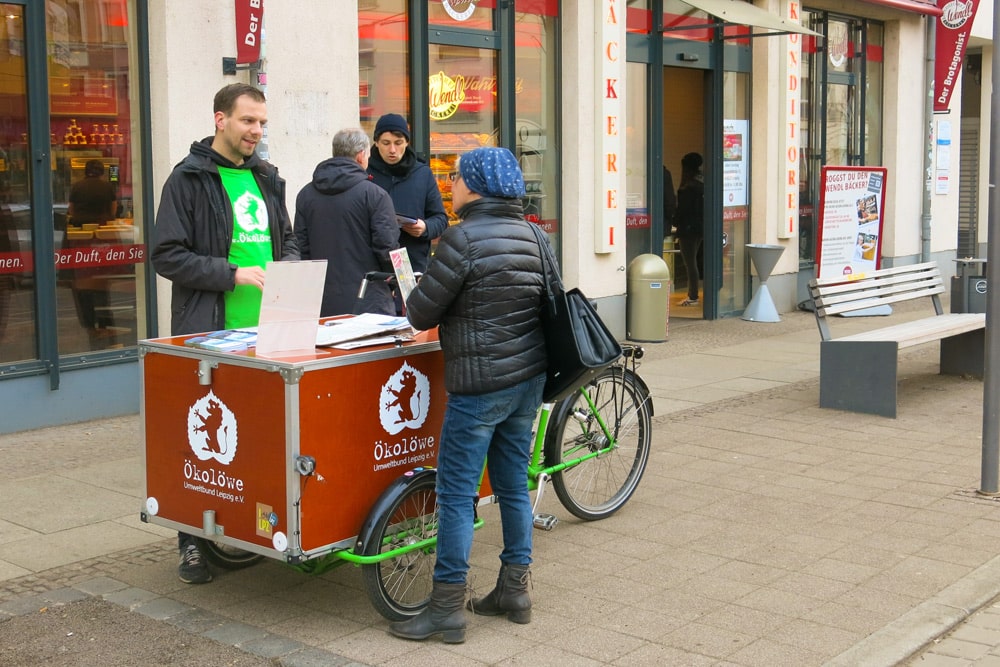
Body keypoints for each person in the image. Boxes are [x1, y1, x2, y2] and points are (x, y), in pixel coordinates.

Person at [390, 147, 548, 644]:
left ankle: (445, 609)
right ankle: (514, 589)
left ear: (474, 186)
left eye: (454, 177)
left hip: (479, 387)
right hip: (527, 381)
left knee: (457, 496)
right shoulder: (536, 236)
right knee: (512, 486)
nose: (448, 185)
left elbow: (420, 313)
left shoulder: (461, 240)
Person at [151, 82, 298, 585]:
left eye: (261, 122)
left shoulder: (268, 178)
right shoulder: (188, 179)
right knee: (199, 442)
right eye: (247, 121)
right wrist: (230, 274)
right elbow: (166, 254)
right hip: (209, 336)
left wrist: (290, 268)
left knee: (254, 439)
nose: (257, 131)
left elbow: (289, 238)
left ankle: (253, 525)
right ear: (220, 119)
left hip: (267, 334)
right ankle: (191, 542)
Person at [295, 128, 399, 316]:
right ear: (361, 156)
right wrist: (396, 281)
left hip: (321, 302)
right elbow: (388, 250)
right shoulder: (375, 195)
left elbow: (300, 249)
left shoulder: (305, 195)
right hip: (369, 301)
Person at [366, 113, 448, 308]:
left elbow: (441, 218)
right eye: (385, 143)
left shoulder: (422, 173)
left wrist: (425, 227)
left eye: (398, 142)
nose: (392, 149)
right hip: (374, 265)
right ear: (376, 142)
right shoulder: (365, 172)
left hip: (413, 264)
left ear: (407, 143)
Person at [673, 152, 704, 306]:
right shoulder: (702, 183)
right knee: (693, 261)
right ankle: (693, 294)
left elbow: (682, 210)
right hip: (699, 228)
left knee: (690, 262)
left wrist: (675, 221)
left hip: (687, 228)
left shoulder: (688, 187)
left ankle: (693, 295)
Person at [69, 159, 117, 225]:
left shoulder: (77, 186)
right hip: (103, 223)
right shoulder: (108, 186)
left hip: (80, 224)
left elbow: (71, 208)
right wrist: (111, 217)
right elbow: (113, 206)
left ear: (86, 171)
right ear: (102, 172)